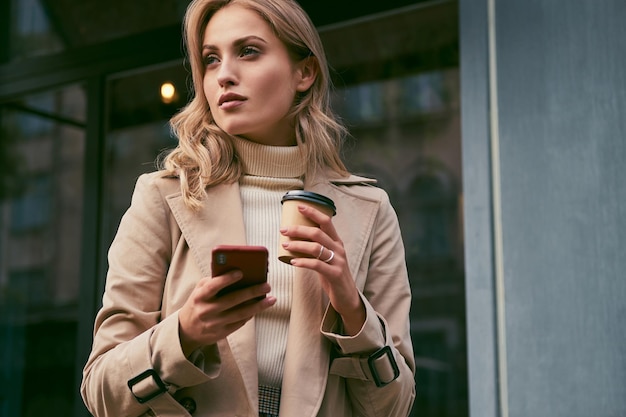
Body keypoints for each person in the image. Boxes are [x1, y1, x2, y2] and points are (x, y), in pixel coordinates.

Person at [80, 0, 416, 416]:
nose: (224, 75)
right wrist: (185, 333)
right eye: (210, 59)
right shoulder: (163, 197)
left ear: (304, 73)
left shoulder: (369, 210)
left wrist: (351, 308)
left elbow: (395, 405)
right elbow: (100, 393)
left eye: (249, 51)